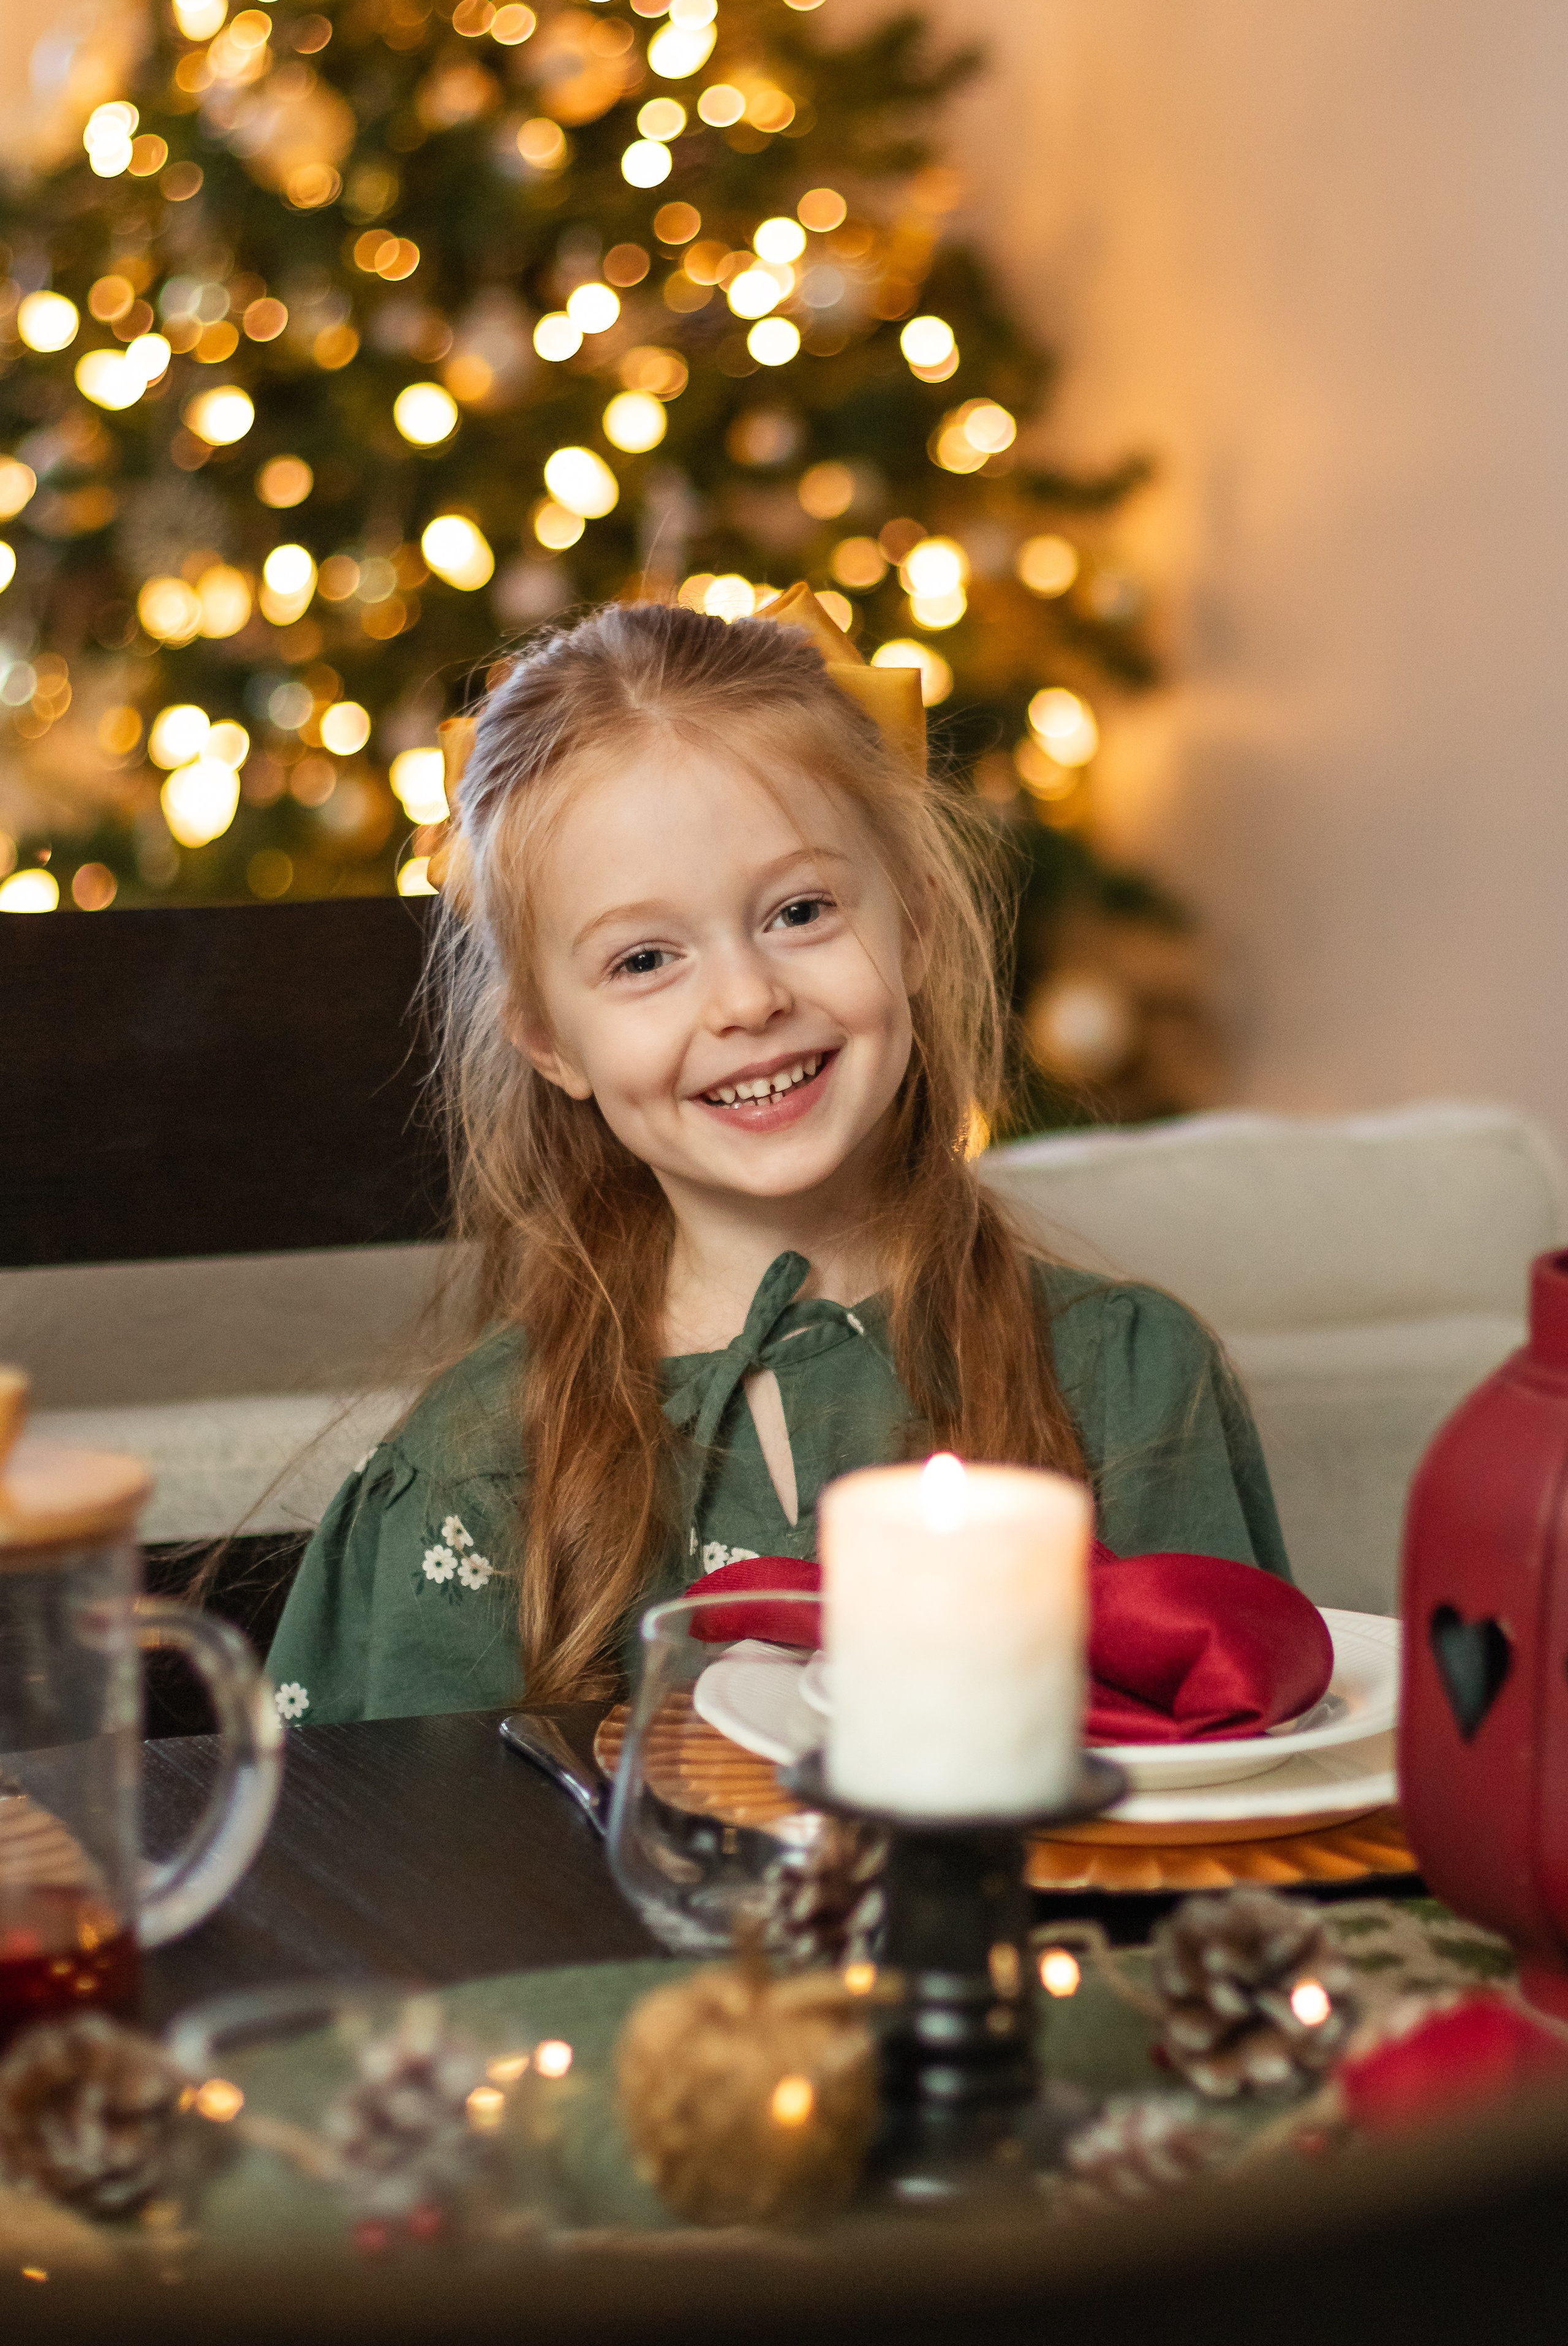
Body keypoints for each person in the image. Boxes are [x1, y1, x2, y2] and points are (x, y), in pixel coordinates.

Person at [265, 594, 1288, 1729]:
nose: (749, 999)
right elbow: (407, 1876)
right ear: (550, 1041)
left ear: (918, 929)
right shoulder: (476, 1472)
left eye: (800, 911)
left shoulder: (1133, 1384)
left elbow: (1230, 1808)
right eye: (646, 958)